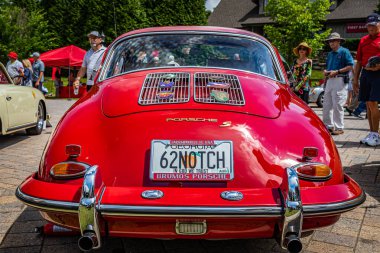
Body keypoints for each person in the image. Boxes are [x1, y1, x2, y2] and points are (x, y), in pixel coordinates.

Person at [353, 13, 380, 146]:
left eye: (374, 25)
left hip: (378, 75)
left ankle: (376, 134)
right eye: (369, 25)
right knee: (368, 105)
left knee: (372, 103)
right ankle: (372, 133)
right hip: (365, 74)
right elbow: (358, 61)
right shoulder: (363, 40)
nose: (371, 27)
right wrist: (355, 79)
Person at [323, 32, 354, 135]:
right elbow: (327, 67)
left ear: (339, 41)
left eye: (333, 41)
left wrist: (337, 71)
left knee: (338, 104)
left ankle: (339, 127)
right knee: (327, 103)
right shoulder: (330, 54)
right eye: (330, 41)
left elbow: (350, 66)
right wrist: (326, 72)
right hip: (330, 79)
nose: (331, 43)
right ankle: (328, 126)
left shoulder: (345, 51)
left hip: (340, 79)